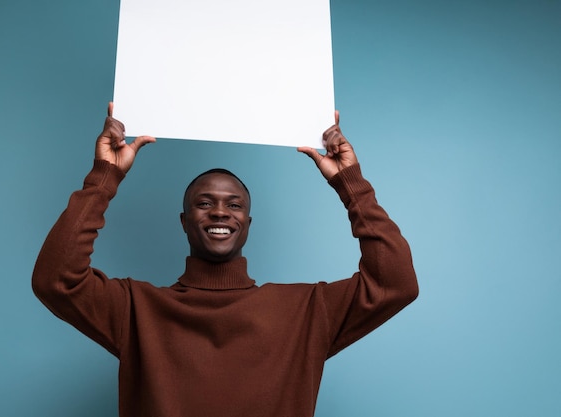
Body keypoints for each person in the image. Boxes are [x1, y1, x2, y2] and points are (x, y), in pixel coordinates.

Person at [32, 103, 418, 417]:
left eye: (234, 205)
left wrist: (349, 181)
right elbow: (56, 279)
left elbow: (394, 284)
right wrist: (105, 176)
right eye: (204, 203)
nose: (220, 213)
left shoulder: (306, 312)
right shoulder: (136, 310)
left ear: (247, 224)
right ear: (184, 222)